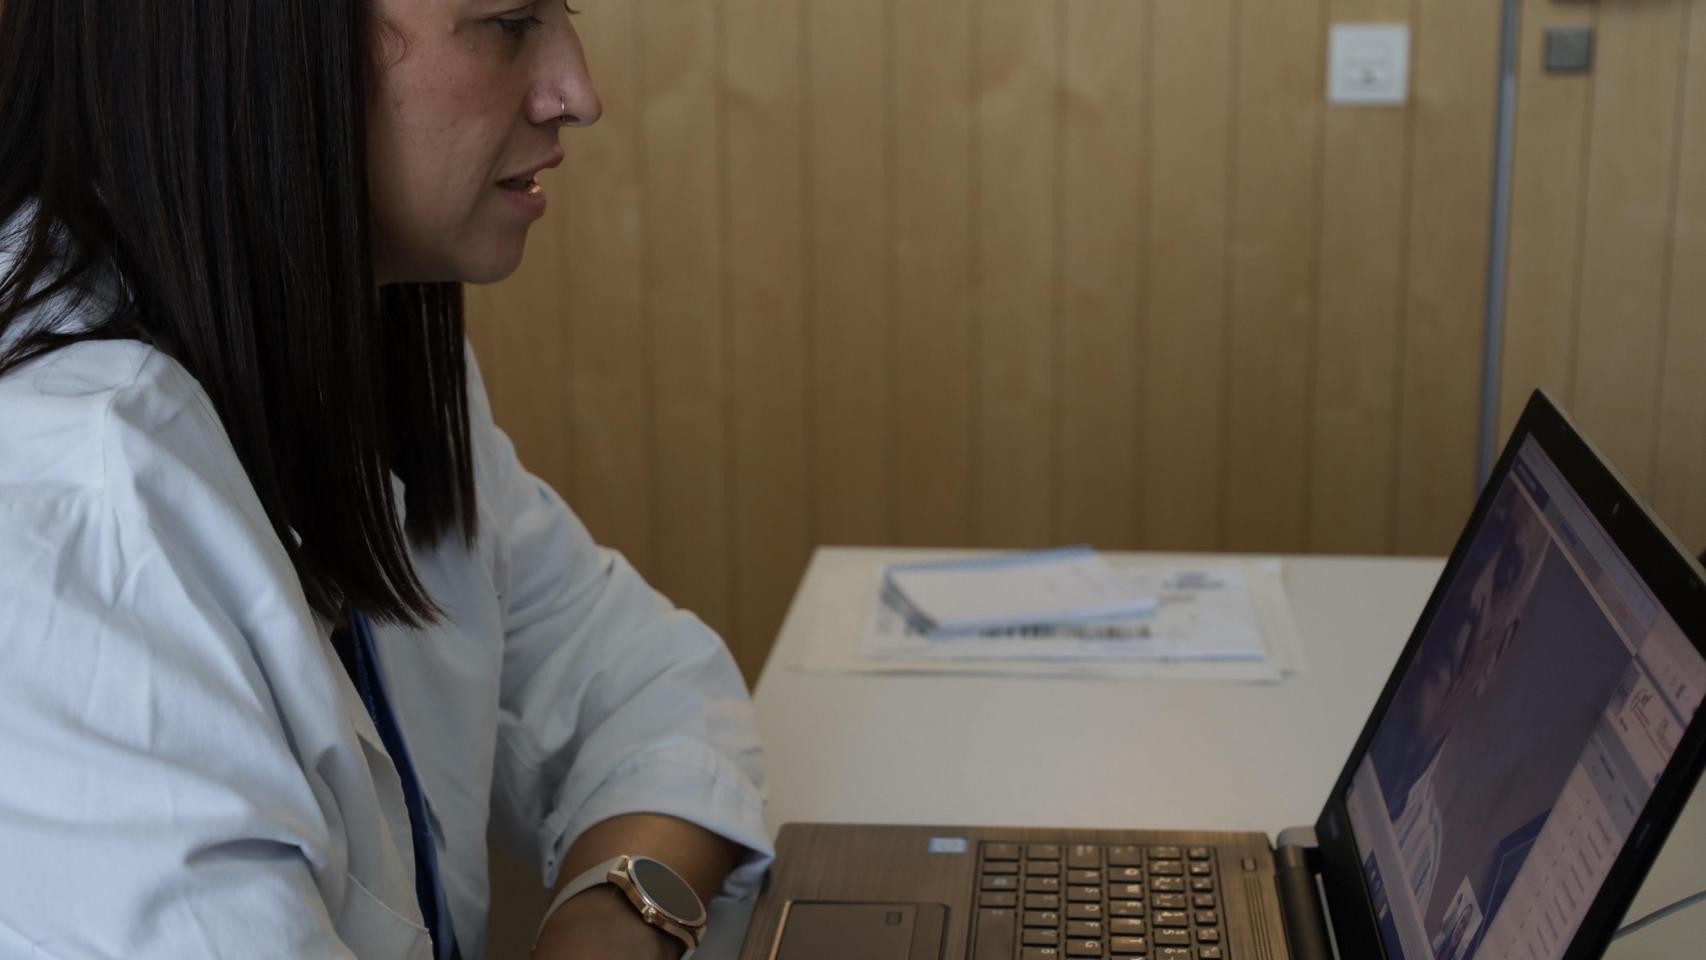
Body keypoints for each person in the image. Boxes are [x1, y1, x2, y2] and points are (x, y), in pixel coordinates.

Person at [0, 2, 770, 958]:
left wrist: (616, 918)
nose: (577, 93)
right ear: (266, 46)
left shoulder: (336, 334)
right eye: (507, 21)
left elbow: (651, 689)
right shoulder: (79, 499)